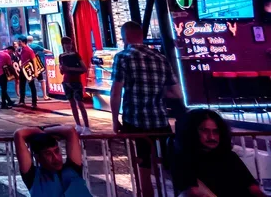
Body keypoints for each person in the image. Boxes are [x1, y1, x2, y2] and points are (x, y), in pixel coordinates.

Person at [110, 22, 180, 197]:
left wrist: (115, 120)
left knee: (142, 168)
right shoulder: (160, 57)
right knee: (167, 165)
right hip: (160, 121)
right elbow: (176, 93)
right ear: (142, 36)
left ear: (125, 37)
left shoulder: (123, 57)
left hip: (135, 121)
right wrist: (157, 91)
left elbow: (116, 92)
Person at [170, 109, 262, 197]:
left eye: (216, 132)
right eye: (205, 131)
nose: (212, 137)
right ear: (191, 132)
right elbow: (194, 192)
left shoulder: (229, 156)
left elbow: (252, 187)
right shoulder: (184, 159)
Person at [14, 125, 92, 197]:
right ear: (38, 158)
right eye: (48, 154)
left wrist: (44, 131)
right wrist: (39, 131)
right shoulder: (34, 177)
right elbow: (19, 134)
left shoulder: (71, 169)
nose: (55, 157)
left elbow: (70, 131)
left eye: (57, 151)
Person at [58, 37, 90, 129]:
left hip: (76, 81)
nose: (69, 46)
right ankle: (78, 125)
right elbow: (62, 71)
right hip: (66, 82)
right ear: (63, 45)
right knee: (72, 104)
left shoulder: (75, 55)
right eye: (66, 44)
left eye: (70, 44)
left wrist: (70, 68)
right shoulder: (61, 56)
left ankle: (86, 126)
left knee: (80, 103)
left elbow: (84, 68)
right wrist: (61, 69)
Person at [17, 36, 39, 109]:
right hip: (22, 70)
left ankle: (34, 103)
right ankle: (22, 101)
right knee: (22, 85)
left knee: (32, 86)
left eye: (19, 41)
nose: (18, 43)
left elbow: (34, 60)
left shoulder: (29, 50)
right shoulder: (21, 49)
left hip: (28, 70)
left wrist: (36, 72)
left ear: (24, 42)